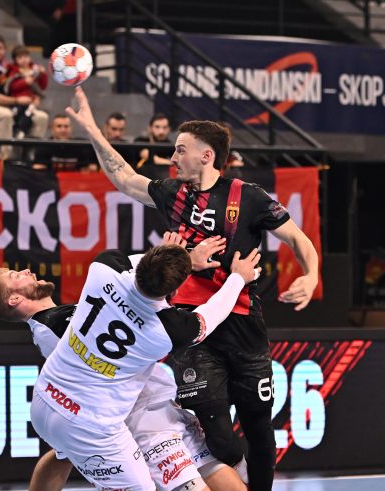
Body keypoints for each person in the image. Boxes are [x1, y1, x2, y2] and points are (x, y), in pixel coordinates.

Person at [66, 86, 320, 491]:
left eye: (180, 150)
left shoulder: (249, 197)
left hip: (243, 325)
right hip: (194, 328)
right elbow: (124, 178)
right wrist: (92, 131)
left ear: (207, 155)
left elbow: (297, 238)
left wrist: (311, 273)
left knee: (258, 426)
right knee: (216, 433)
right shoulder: (172, 193)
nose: (172, 157)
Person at [0, 233, 248, 491]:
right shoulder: (154, 325)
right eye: (14, 276)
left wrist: (177, 259)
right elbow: (208, 315)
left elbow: (140, 273)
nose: (26, 270)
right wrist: (235, 277)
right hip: (130, 416)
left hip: (141, 403)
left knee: (63, 454)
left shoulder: (100, 277)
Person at [0, 34, 48, 157]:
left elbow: (20, 89)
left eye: (0, 48)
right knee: (6, 115)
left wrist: (33, 99)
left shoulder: (7, 69)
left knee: (42, 117)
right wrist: (18, 100)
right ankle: (6, 156)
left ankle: (31, 156)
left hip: (11, 106)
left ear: (5, 50)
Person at [4, 45, 48, 138]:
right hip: (17, 101)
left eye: (26, 56)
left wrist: (43, 74)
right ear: (15, 60)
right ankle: (16, 129)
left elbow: (42, 87)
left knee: (28, 113)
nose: (23, 60)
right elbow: (11, 87)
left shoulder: (35, 71)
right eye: (20, 57)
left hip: (31, 101)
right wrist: (24, 82)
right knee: (17, 113)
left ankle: (22, 131)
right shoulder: (13, 71)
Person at [32, 113, 96, 171]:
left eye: (66, 126)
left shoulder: (81, 145)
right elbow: (38, 168)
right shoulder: (44, 145)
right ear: (52, 128)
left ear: (71, 128)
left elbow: (89, 169)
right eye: (59, 126)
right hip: (51, 179)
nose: (63, 130)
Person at [134, 113, 173, 177]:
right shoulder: (140, 141)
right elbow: (148, 156)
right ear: (150, 128)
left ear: (168, 129)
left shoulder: (170, 145)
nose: (161, 131)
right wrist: (169, 162)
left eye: (164, 127)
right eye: (157, 127)